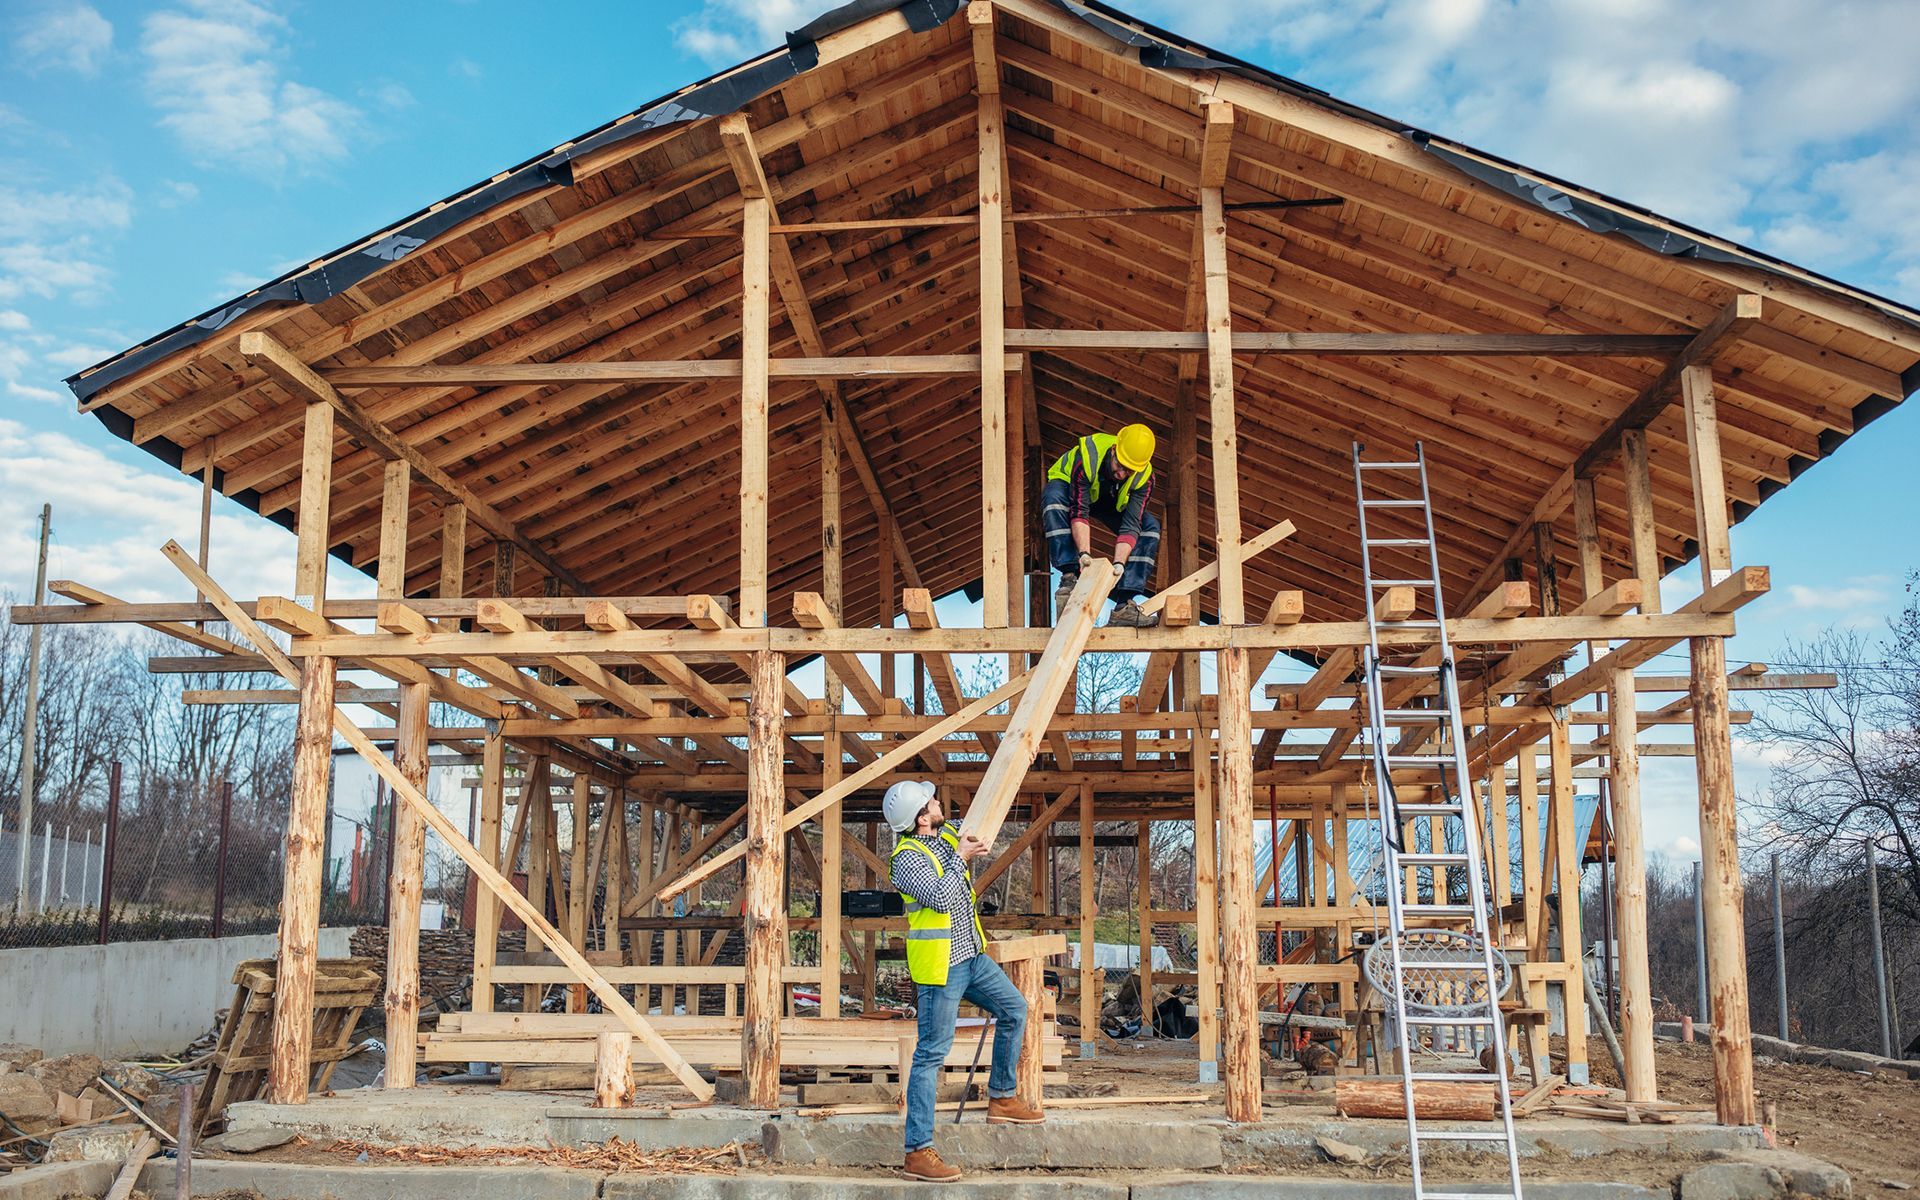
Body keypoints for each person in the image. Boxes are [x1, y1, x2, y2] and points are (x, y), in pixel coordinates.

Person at [883, 779, 1041, 1182]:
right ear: (921, 818)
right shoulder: (906, 859)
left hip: (971, 956)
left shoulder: (945, 833)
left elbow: (974, 820)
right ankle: (917, 1151)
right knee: (931, 1054)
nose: (938, 802)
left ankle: (1002, 1098)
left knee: (1015, 1009)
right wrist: (960, 857)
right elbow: (940, 897)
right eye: (931, 801)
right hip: (941, 968)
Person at [1041, 423, 1161, 627]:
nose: (1122, 474)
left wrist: (1119, 564)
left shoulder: (1144, 478)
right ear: (1114, 449)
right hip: (1070, 489)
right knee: (1053, 499)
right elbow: (1080, 512)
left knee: (1150, 528)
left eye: (1129, 471)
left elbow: (1131, 525)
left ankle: (1124, 606)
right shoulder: (1088, 456)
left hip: (1109, 500)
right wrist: (1084, 555)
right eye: (1120, 466)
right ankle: (1069, 578)